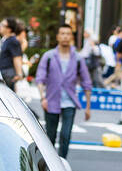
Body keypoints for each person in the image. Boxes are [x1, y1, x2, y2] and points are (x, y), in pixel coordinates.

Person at [36, 24, 92, 158]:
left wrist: (88, 107)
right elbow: (40, 79)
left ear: (71, 37)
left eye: (68, 33)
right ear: (58, 37)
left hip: (70, 102)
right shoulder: (48, 57)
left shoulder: (78, 59)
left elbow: (87, 83)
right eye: (62, 33)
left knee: (66, 135)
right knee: (50, 136)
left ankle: (62, 163)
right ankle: (49, 164)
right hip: (51, 101)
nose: (65, 36)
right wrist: (43, 98)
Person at [0, 17, 24, 84]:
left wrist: (19, 74)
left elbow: (17, 57)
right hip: (5, 73)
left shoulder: (13, 41)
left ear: (9, 29)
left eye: (3, 25)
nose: (0, 27)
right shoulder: (7, 40)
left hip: (9, 74)